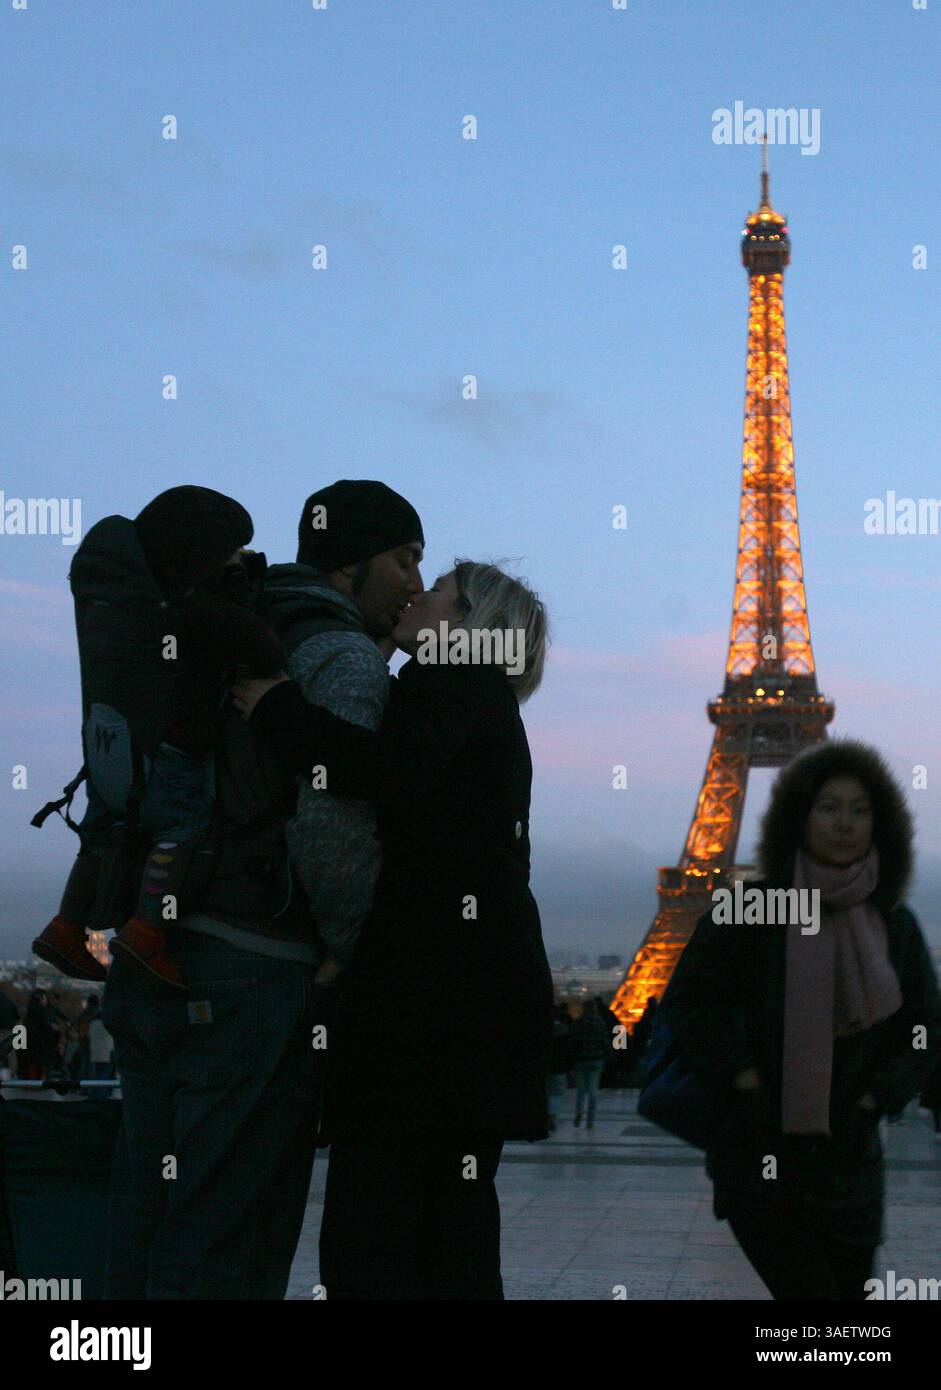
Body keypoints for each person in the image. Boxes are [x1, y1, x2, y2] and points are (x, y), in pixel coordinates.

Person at [101, 480, 425, 1300]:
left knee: (146, 1205)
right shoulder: (343, 659)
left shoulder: (237, 611)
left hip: (156, 948)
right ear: (351, 567)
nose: (415, 585)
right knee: (230, 1225)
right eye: (403, 558)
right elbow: (329, 832)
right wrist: (355, 952)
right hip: (253, 967)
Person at [234, 559, 554, 1300]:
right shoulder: (487, 704)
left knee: (376, 1215)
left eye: (440, 587)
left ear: (469, 623)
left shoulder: (452, 681)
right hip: (477, 987)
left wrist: (278, 707)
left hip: (433, 992)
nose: (419, 592)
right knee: (453, 1211)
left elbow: (387, 771)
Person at [660, 740, 941, 1301]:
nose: (845, 824)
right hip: (759, 1158)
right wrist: (744, 1080)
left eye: (860, 811)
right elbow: (691, 1006)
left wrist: (873, 1101)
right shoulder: (747, 910)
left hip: (850, 1168)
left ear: (879, 823)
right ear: (800, 816)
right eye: (829, 807)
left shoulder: (893, 923)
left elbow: (924, 1028)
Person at [33, 487, 285, 989]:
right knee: (182, 829)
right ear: (202, 557)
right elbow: (265, 650)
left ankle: (66, 926)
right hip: (168, 752)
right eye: (232, 552)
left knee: (102, 832)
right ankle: (148, 930)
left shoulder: (134, 605)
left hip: (109, 749)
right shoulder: (195, 610)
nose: (241, 560)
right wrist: (236, 591)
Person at [569, 1000, 608, 1130]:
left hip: (580, 1059)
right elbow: (605, 1042)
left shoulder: (578, 1023)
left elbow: (572, 1041)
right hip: (596, 1060)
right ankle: (590, 1121)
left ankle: (579, 1111)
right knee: (592, 1092)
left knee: (581, 1091)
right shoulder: (600, 1023)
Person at [546, 1003, 573, 1131]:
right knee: (557, 1093)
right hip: (560, 1067)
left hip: (545, 1066)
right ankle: (552, 1114)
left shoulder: (542, 1029)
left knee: (546, 1092)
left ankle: (545, 1114)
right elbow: (568, 1051)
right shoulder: (565, 1030)